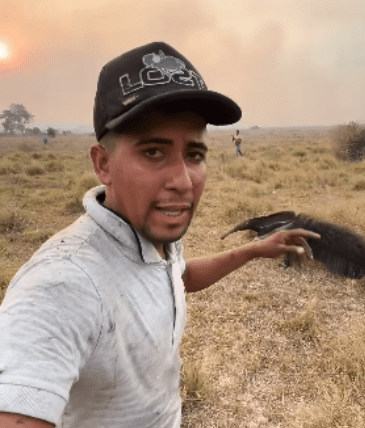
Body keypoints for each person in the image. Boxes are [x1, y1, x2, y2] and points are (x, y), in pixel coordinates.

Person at [0, 42, 319, 427]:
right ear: (103, 164)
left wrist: (252, 250)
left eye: (195, 155)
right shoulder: (63, 281)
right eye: (154, 152)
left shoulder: (152, 236)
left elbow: (176, 278)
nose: (183, 182)